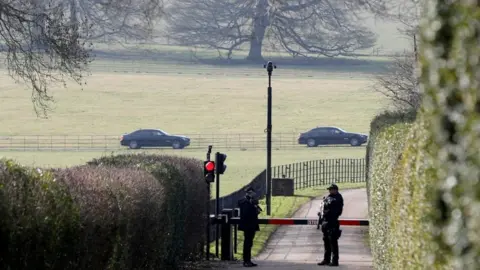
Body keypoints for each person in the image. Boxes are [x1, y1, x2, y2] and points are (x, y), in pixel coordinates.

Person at [318, 184, 344, 267]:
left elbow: (335, 211)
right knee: (326, 241)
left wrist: (326, 212)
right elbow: (324, 207)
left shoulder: (338, 198)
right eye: (329, 190)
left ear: (335, 190)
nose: (330, 191)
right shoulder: (328, 197)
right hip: (325, 222)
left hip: (332, 222)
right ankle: (326, 259)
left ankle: (335, 261)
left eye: (331, 189)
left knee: (333, 242)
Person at [237, 186, 262, 267]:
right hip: (247, 225)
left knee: (249, 243)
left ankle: (248, 260)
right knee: (247, 243)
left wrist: (256, 208)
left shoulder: (253, 201)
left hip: (251, 224)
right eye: (251, 192)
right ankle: (246, 261)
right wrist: (253, 206)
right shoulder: (244, 201)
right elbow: (247, 212)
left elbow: (257, 211)